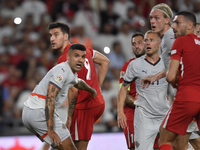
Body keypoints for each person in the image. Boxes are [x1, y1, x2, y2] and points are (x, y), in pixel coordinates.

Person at [143, 3, 200, 150]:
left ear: (167, 20)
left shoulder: (173, 38)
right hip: (192, 93)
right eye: (151, 18)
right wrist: (156, 76)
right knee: (182, 143)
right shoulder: (167, 38)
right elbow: (182, 64)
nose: (152, 21)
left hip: (185, 95)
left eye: (156, 18)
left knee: (168, 139)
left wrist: (175, 80)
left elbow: (175, 70)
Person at [22, 44, 97, 150]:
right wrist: (51, 129)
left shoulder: (70, 73)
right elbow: (50, 97)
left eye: (83, 57)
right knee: (70, 148)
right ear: (68, 57)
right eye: (76, 56)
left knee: (57, 147)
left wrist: (91, 90)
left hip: (30, 112)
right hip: (39, 111)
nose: (80, 60)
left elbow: (78, 82)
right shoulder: (62, 71)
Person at [48, 22, 110, 150]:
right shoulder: (84, 49)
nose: (52, 39)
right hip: (98, 103)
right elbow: (105, 61)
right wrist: (97, 87)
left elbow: (74, 91)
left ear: (66, 36)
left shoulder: (65, 58)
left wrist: (69, 118)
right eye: (50, 35)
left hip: (83, 107)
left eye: (56, 35)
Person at [118, 30, 170, 150]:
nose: (147, 43)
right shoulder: (132, 65)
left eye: (150, 40)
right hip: (142, 115)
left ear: (159, 43)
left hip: (163, 113)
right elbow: (123, 89)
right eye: (146, 40)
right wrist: (120, 111)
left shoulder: (167, 62)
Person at [159, 11, 200, 150]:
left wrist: (175, 81)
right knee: (181, 144)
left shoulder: (181, 41)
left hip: (187, 97)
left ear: (190, 25)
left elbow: (170, 76)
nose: (173, 27)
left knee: (164, 138)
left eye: (177, 23)